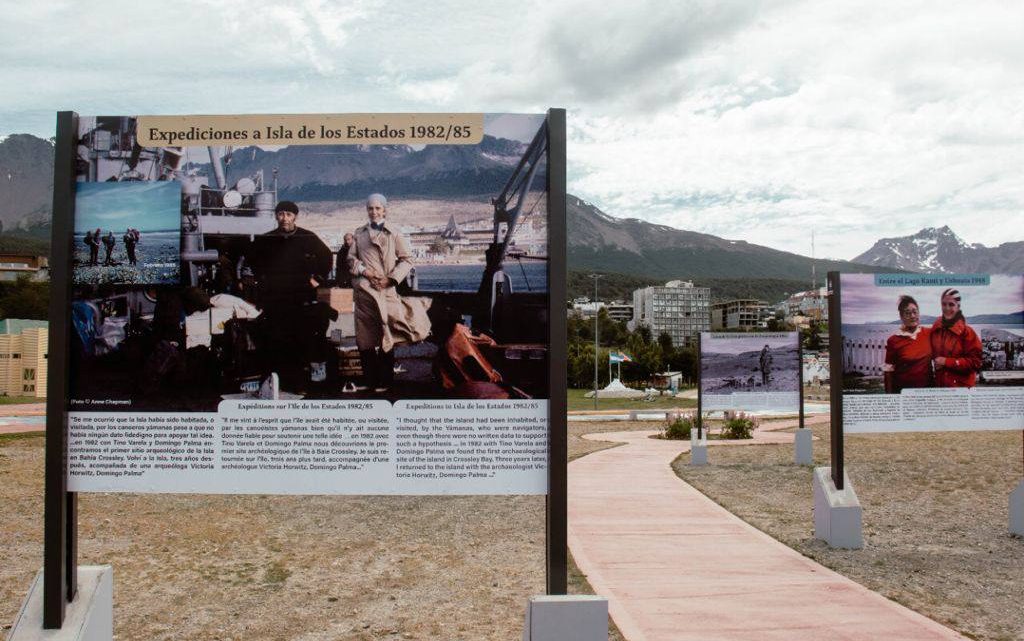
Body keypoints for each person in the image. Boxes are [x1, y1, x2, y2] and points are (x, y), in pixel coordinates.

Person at [348, 193, 431, 393]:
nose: (374, 212)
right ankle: (369, 379)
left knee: (388, 333)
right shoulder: (359, 234)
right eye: (370, 208)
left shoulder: (394, 233)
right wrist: (365, 271)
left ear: (384, 210)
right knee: (365, 338)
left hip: (386, 291)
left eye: (378, 208)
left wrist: (390, 279)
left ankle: (385, 380)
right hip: (365, 292)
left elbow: (407, 259)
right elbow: (351, 259)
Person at [248, 200, 334, 392]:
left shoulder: (308, 237)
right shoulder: (266, 239)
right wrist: (262, 281)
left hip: (301, 297)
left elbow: (327, 257)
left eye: (288, 214)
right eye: (280, 214)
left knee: (300, 339)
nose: (284, 218)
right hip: (275, 298)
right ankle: (279, 381)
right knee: (277, 339)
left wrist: (317, 279)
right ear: (276, 216)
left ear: (295, 216)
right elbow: (252, 260)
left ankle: (299, 383)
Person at [930, 288, 983, 387]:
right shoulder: (936, 329)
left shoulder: (967, 332)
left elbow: (976, 362)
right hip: (940, 387)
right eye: (944, 304)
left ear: (958, 307)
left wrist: (947, 362)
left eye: (951, 304)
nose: (947, 308)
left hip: (961, 389)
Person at [883, 295, 933, 393]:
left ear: (919, 313)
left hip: (927, 392)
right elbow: (888, 371)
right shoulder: (893, 340)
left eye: (915, 312)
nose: (912, 316)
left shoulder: (929, 333)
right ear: (901, 316)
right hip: (904, 392)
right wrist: (890, 398)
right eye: (907, 313)